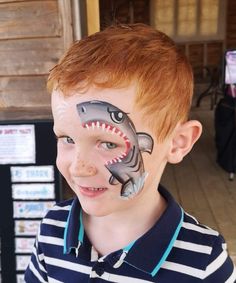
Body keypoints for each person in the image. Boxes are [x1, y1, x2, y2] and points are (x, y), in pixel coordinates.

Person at [25, 24, 236, 282]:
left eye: (108, 144)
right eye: (67, 138)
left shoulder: (205, 263)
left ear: (178, 142)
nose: (79, 167)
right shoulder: (51, 230)